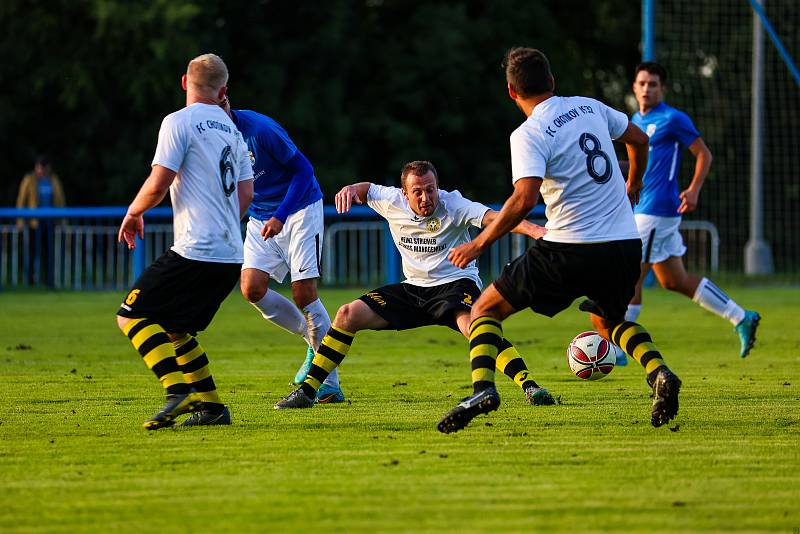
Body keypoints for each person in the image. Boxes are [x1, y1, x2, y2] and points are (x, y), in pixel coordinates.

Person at [437, 47, 682, 433]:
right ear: (551, 81)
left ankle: (483, 390)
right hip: (622, 243)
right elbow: (638, 140)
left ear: (511, 93)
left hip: (569, 246)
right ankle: (659, 373)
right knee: (608, 319)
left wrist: (479, 243)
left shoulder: (528, 133)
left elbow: (524, 198)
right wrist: (634, 180)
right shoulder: (590, 106)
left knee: (484, 309)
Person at [274, 160, 554, 409]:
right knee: (347, 314)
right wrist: (350, 189)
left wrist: (536, 230)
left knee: (474, 326)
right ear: (404, 193)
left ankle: (530, 386)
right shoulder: (390, 199)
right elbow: (366, 189)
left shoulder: (453, 204)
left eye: (430, 189)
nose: (425, 197)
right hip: (413, 289)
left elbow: (495, 218)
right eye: (417, 192)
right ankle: (307, 392)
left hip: (455, 284)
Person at [116, 54, 254, 429]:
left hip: (198, 248)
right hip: (230, 254)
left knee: (132, 316)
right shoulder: (233, 131)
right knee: (177, 329)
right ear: (223, 90)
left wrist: (133, 212)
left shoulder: (178, 121)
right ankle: (212, 409)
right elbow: (246, 194)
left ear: (184, 82)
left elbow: (160, 182)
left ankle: (177, 391)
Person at [621, 61, 760, 363]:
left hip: (658, 209)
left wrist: (694, 188)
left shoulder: (673, 118)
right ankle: (742, 317)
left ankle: (619, 348)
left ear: (663, 89)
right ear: (634, 87)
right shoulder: (634, 118)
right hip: (644, 209)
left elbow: (703, 154)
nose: (647, 89)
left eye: (653, 84)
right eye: (642, 83)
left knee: (630, 272)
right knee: (674, 280)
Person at [220, 98, 344, 404]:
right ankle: (312, 339)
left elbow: (304, 170)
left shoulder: (260, 130)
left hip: (299, 208)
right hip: (260, 215)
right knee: (252, 288)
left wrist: (281, 215)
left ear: (225, 100)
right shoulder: (210, 140)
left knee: (303, 293)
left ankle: (329, 383)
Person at [16, 155, 66, 286]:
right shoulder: (29, 179)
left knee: (49, 254)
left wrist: (62, 220)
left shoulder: (53, 180)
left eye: (44, 167)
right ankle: (30, 283)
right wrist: (20, 220)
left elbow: (60, 200)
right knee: (31, 253)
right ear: (36, 167)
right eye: (40, 167)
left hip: (50, 223)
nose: (42, 170)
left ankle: (49, 282)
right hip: (34, 223)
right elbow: (22, 200)